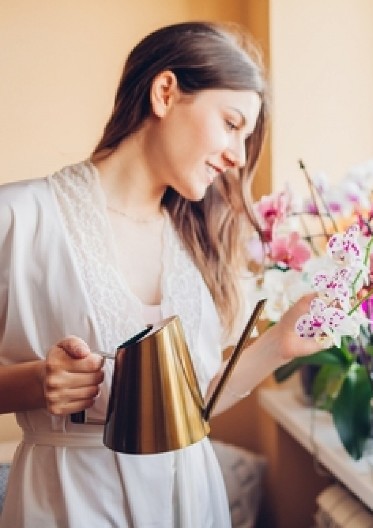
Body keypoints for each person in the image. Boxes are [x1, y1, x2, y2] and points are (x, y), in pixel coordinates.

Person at [0, 21, 321, 527]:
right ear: (166, 92)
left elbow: (193, 406)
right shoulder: (17, 218)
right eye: (232, 123)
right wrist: (35, 382)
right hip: (69, 501)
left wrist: (281, 342)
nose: (239, 156)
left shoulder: (199, 240)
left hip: (191, 499)